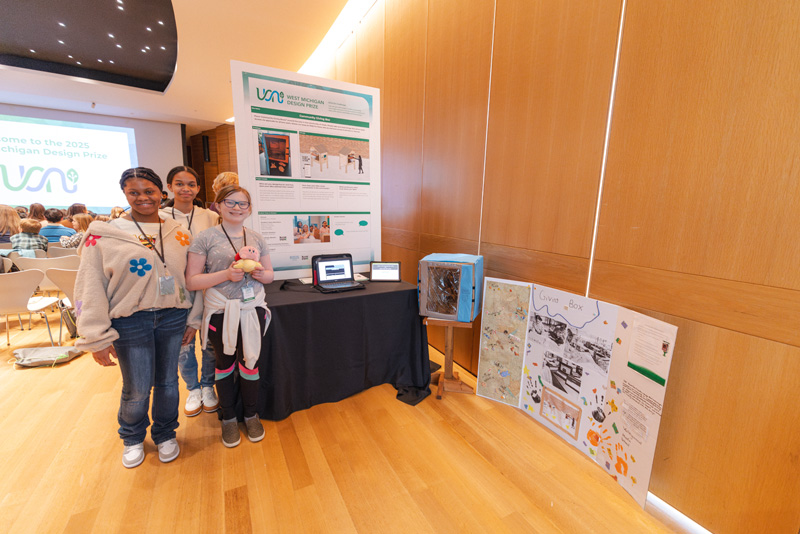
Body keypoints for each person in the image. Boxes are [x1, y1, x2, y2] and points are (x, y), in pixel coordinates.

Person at [74, 167, 202, 469]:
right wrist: (95, 337)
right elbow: (90, 286)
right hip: (130, 320)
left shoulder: (180, 232)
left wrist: (193, 319)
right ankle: (132, 437)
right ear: (125, 195)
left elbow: (191, 279)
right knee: (137, 387)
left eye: (149, 191)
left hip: (173, 317)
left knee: (168, 382)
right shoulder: (104, 235)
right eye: (134, 192)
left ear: (161, 193)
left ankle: (165, 433)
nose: (143, 197)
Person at [186, 185, 274, 447]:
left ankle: (251, 414)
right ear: (218, 205)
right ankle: (228, 417)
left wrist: (262, 274)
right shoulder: (205, 238)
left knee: (250, 362)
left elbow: (270, 275)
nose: (237, 208)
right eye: (230, 202)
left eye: (242, 203)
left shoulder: (256, 238)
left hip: (252, 309)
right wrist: (225, 274)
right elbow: (192, 281)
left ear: (250, 208)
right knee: (224, 364)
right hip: (220, 311)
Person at [160, 165, 221, 416]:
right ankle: (193, 389)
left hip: (207, 287)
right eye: (179, 183)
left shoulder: (210, 216)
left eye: (191, 184)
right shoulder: (160, 216)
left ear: (198, 188)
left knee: (209, 342)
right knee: (182, 343)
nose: (186, 189)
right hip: (175, 288)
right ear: (169, 187)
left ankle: (208, 386)